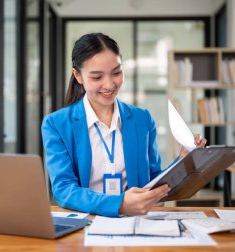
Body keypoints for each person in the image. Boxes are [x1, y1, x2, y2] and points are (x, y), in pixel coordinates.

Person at [41, 33, 206, 217]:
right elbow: (64, 190)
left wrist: (182, 161)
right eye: (97, 77)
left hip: (136, 221)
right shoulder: (56, 124)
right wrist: (118, 204)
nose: (109, 84)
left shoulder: (142, 119)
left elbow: (152, 180)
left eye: (116, 73)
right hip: (86, 222)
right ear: (78, 76)